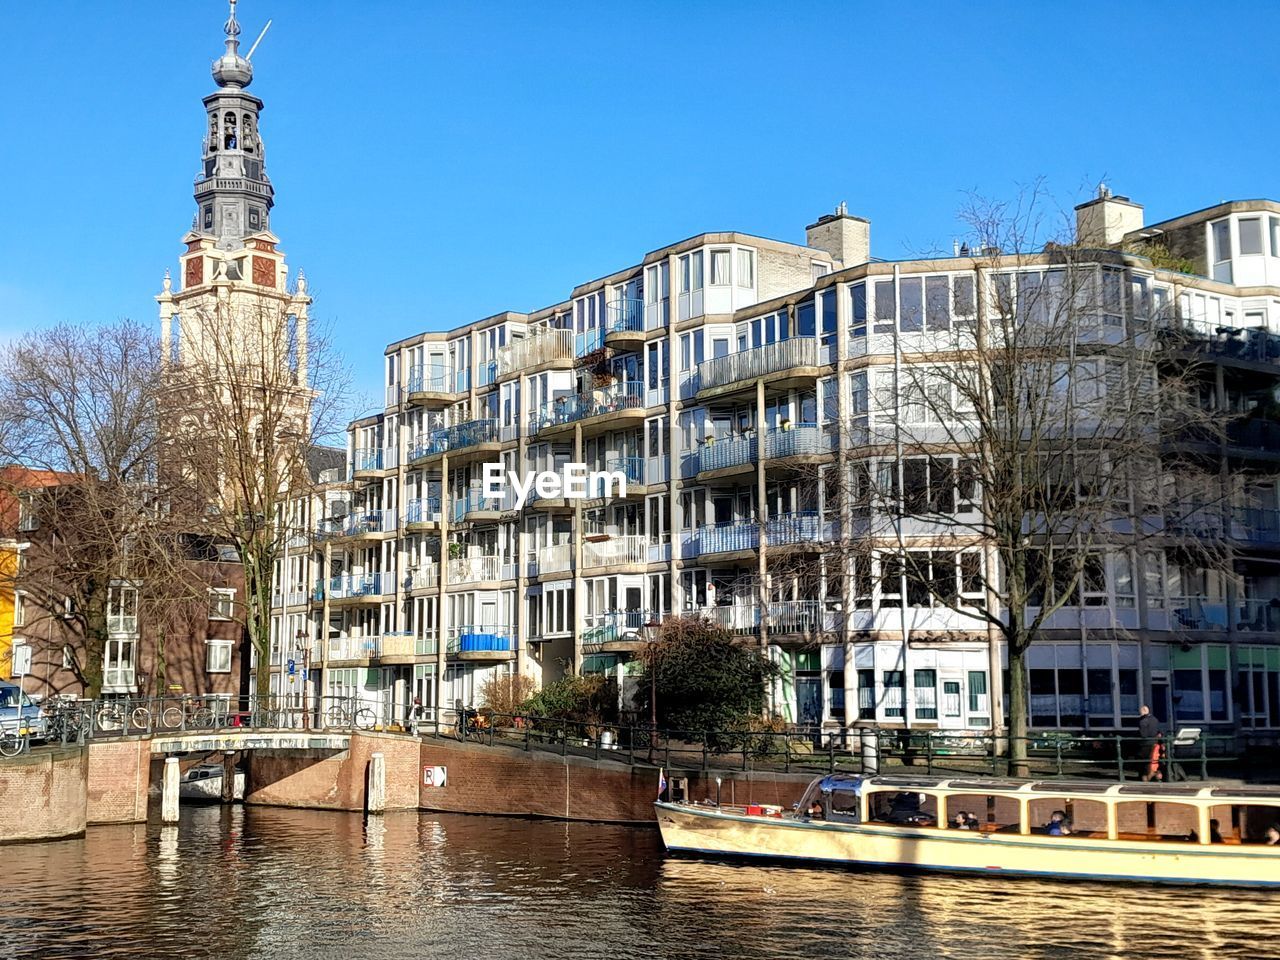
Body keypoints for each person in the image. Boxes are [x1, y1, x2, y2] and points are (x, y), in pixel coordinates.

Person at [1138, 704, 1164, 782]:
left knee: (1144, 760)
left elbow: (1143, 734)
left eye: (1140, 712)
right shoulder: (1155, 719)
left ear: (1143, 711)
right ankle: (1156, 774)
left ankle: (1145, 775)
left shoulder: (1143, 721)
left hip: (1146, 743)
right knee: (1154, 760)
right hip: (1155, 742)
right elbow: (1159, 731)